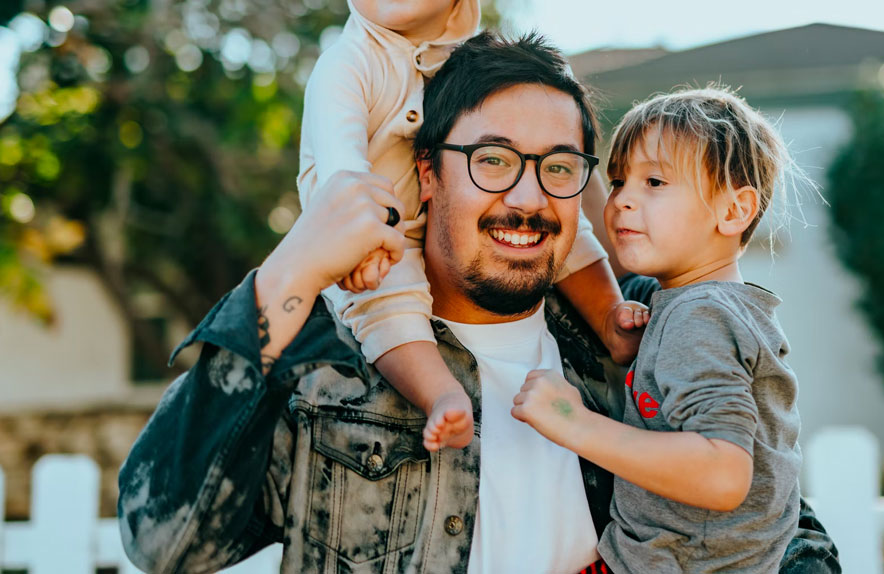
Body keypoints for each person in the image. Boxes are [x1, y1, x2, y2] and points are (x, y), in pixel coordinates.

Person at [118, 32, 840, 573]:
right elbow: (163, 543)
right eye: (492, 160)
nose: (527, 197)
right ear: (428, 174)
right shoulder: (325, 356)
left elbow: (773, 515)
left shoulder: (638, 328)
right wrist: (288, 271)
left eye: (558, 167)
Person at [297, 0, 645, 452]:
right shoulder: (349, 63)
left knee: (565, 224)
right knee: (388, 305)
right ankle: (440, 394)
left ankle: (610, 317)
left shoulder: (470, 65)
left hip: (429, 224)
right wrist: (361, 241)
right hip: (371, 236)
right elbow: (341, 167)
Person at [513, 87, 812, 573]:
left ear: (733, 211)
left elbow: (723, 474)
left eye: (654, 181)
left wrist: (573, 422)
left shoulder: (699, 316)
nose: (622, 201)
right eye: (617, 181)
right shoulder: (709, 308)